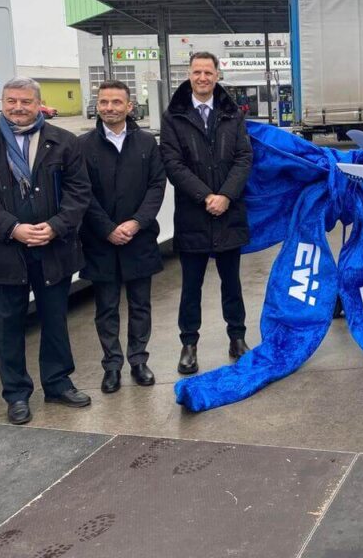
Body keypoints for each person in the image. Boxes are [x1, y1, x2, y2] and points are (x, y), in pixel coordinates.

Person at [0, 76, 91, 425]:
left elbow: (79, 192)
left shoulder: (64, 142)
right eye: (11, 101)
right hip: (4, 250)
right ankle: (16, 394)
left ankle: (58, 383)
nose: (18, 108)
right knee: (7, 326)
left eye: (25, 102)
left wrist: (57, 226)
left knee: (55, 320)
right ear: (2, 103)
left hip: (53, 248)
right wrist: (13, 228)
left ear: (39, 104)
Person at [160, 52, 253, 375]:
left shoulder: (232, 113)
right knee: (191, 287)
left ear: (217, 75)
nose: (202, 78)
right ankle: (188, 345)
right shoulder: (174, 116)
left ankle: (237, 338)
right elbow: (173, 164)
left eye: (208, 72)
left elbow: (244, 157)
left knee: (232, 283)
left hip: (228, 213)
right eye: (197, 72)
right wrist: (206, 197)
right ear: (188, 74)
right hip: (193, 215)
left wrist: (226, 195)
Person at [79, 80, 166, 394]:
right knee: (106, 307)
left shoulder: (146, 143)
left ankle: (139, 361)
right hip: (100, 241)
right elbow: (82, 192)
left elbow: (157, 186)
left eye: (117, 102)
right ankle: (112, 366)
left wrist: (137, 222)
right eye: (104, 102)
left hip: (139, 238)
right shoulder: (83, 146)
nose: (109, 108)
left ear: (130, 107)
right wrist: (107, 228)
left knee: (141, 305)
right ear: (97, 106)